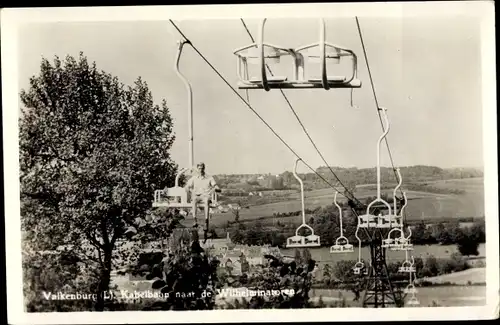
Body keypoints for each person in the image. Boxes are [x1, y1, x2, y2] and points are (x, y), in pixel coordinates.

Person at [185, 162, 220, 228]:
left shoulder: (209, 178)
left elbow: (215, 185)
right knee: (194, 200)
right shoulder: (194, 178)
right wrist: (187, 188)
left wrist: (217, 188)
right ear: (197, 169)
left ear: (204, 169)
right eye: (199, 168)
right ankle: (194, 220)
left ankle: (206, 221)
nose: (201, 170)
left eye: (202, 168)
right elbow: (187, 186)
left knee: (206, 201)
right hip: (197, 195)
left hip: (205, 195)